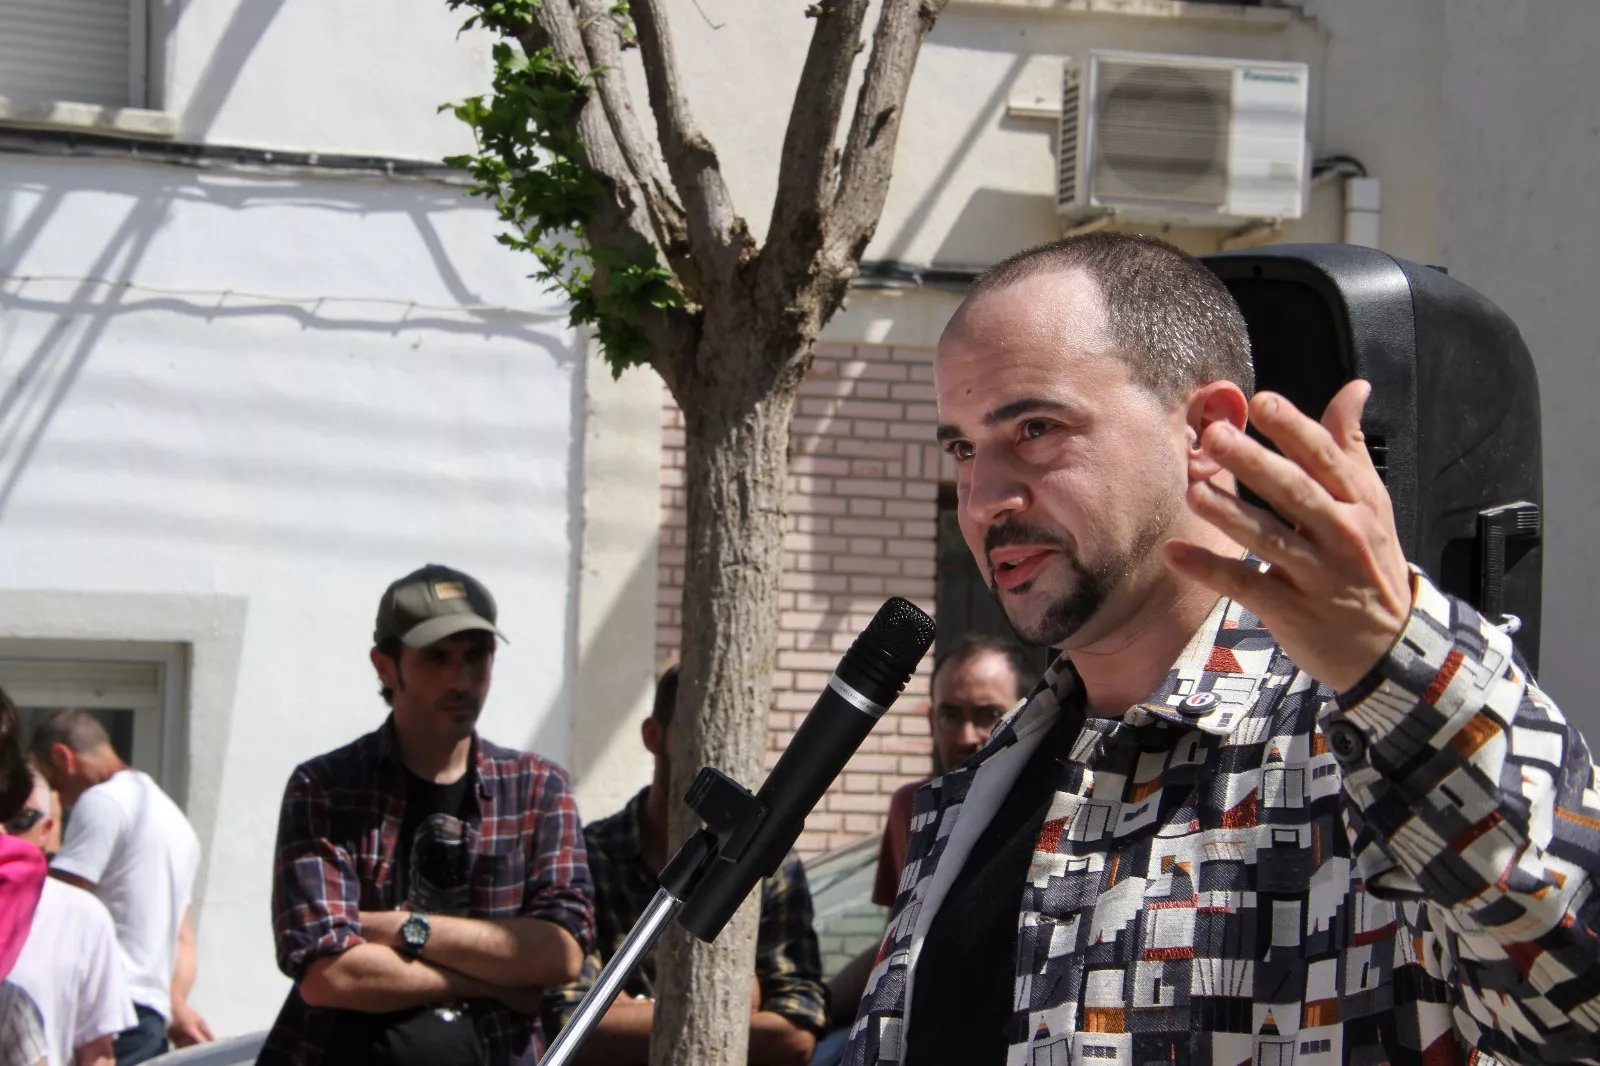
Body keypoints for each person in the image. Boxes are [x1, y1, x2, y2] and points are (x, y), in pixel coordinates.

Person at [845, 232, 1600, 1066]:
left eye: (1033, 427)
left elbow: (1578, 998)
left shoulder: (1370, 751)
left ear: (1206, 431)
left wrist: (1403, 660)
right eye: (961, 447)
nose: (983, 498)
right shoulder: (987, 786)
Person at [261, 563, 593, 1066]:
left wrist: (395, 928)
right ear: (386, 666)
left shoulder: (538, 788)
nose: (460, 679)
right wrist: (495, 979)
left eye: (476, 657)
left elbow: (560, 952)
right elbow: (329, 974)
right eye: (437, 657)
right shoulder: (327, 788)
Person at [543, 665, 827, 1066]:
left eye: (731, 735)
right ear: (653, 736)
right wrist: (734, 1007)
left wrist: (633, 1009)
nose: (716, 751)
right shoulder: (593, 854)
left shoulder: (772, 865)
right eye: (700, 730)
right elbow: (572, 1027)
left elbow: (796, 1036)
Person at [29, 711, 207, 1065]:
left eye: (55, 784)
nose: (61, 801)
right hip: (149, 1017)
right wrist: (174, 1004)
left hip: (108, 1014)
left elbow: (59, 905)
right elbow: (184, 937)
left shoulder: (103, 801)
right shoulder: (174, 819)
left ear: (64, 757)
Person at [7, 764, 137, 1066]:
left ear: (47, 830)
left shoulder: (84, 916)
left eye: (18, 821)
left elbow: (97, 1052)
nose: (4, 832)